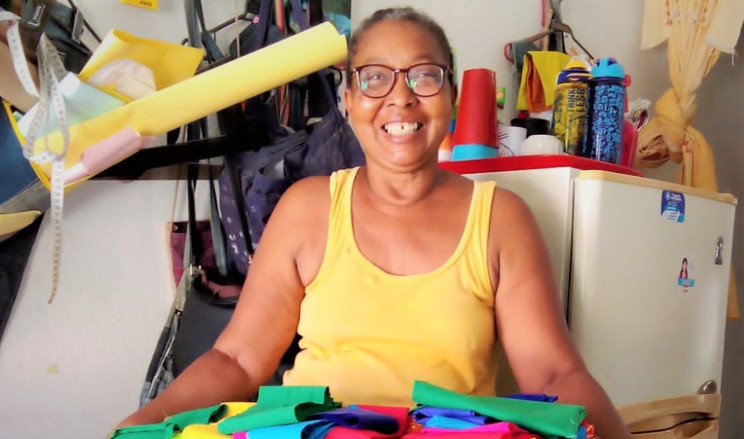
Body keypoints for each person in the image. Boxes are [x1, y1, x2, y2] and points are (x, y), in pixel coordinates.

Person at [118, 7, 632, 438]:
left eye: (424, 75)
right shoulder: (307, 209)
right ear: (348, 102)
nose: (400, 97)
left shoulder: (500, 220)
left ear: (450, 97)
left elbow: (555, 372)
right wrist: (142, 423)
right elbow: (236, 361)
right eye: (375, 77)